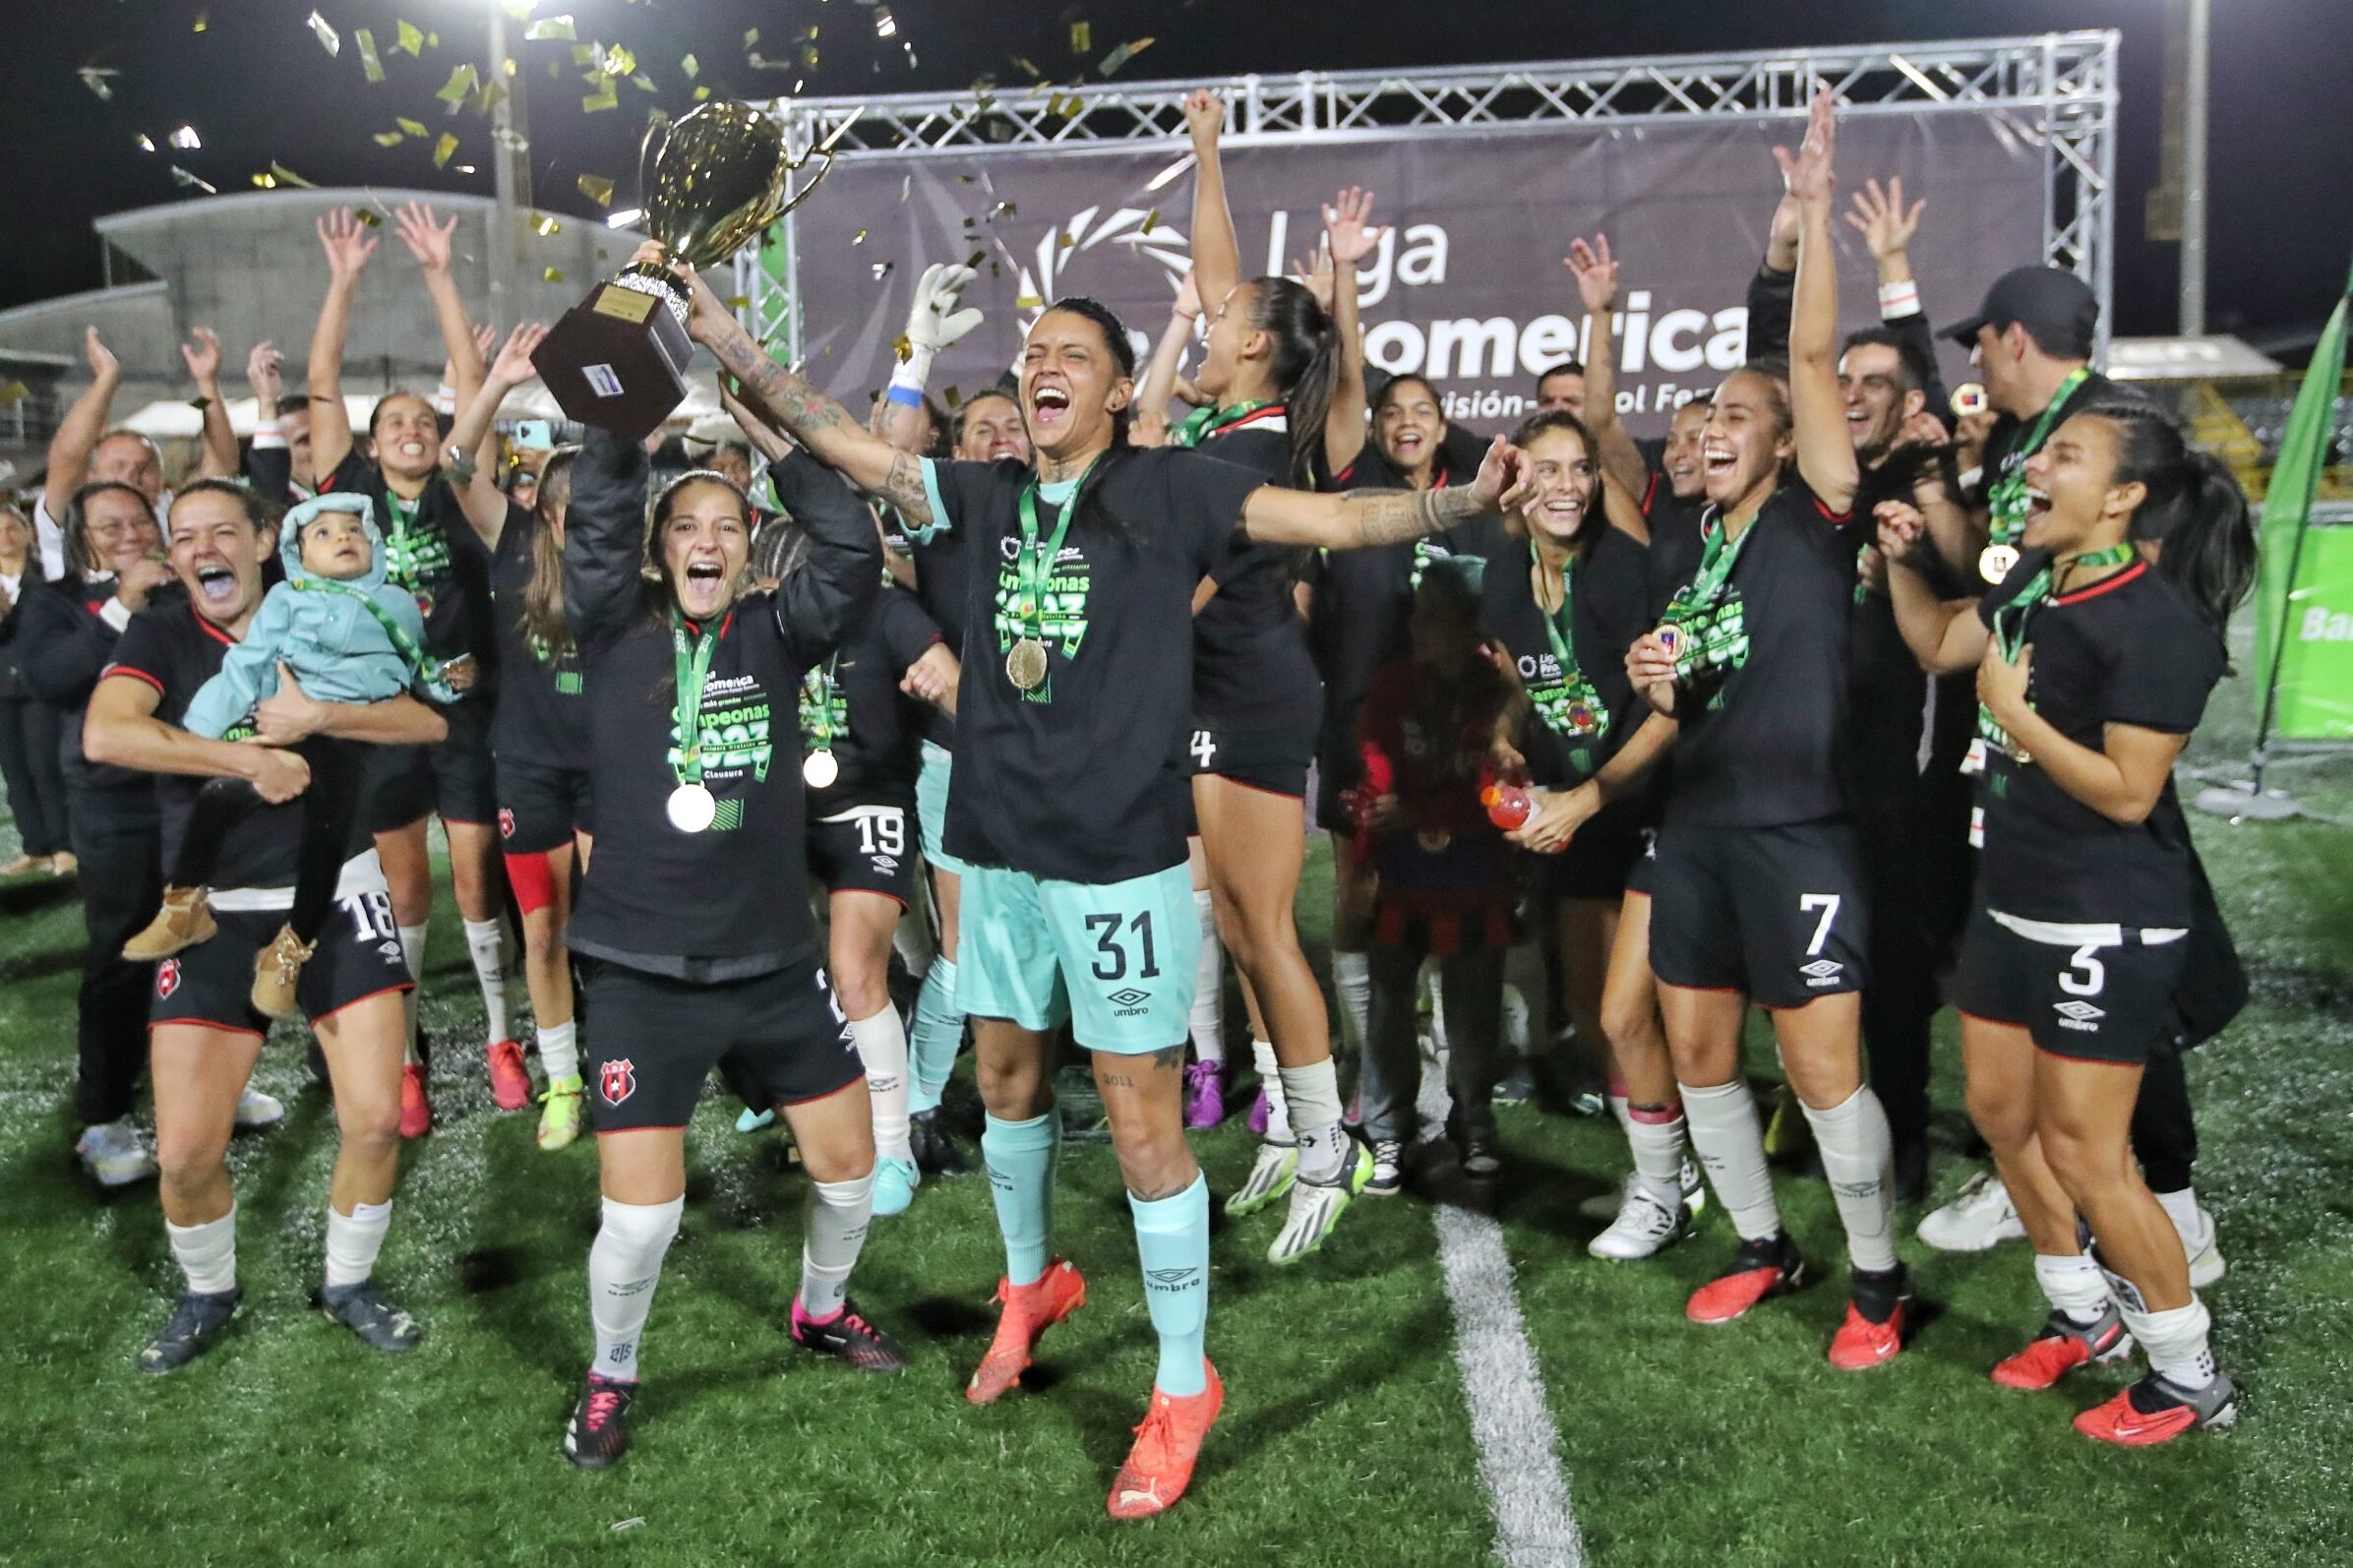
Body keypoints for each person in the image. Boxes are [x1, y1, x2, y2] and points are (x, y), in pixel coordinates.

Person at [684, 224, 1523, 1514]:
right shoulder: (984, 498)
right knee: (1009, 1079)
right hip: (998, 850)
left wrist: (1456, 501)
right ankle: (1030, 1290)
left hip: (1121, 863)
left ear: (1123, 390)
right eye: (1030, 355)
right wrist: (733, 344)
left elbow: (1335, 513)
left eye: (1073, 353)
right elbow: (846, 448)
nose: (1042, 367)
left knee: (1138, 1119)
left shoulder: (1176, 487)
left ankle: (1183, 1384)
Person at [554, 360, 912, 1467]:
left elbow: (851, 547)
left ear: (751, 545)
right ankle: (610, 1373)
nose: (706, 541)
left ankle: (818, 1307)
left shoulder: (778, 632)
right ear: (663, 550)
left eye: (727, 525)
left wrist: (773, 432)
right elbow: (601, 522)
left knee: (850, 1174)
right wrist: (625, 414)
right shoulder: (612, 629)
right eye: (686, 527)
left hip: (769, 965)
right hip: (639, 970)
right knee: (645, 1221)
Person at [1878, 397, 2253, 1443]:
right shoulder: (2046, 578)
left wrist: (2017, 718)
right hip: (2012, 900)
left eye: (2067, 457)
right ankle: (2086, 1314)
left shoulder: (2159, 618)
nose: (2037, 467)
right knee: (2003, 1118)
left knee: (2092, 1156)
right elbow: (1942, 640)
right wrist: (1907, 558)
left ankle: (2190, 1374)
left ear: (2123, 497)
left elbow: (2130, 791)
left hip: (2103, 915)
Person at [1622, 92, 1908, 1369]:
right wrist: (1652, 667)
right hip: (1695, 830)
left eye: (1742, 415)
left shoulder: (1821, 508)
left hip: (1799, 833)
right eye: (1707, 418)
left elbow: (1799, 356)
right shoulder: (1697, 539)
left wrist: (1806, 213)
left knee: (1822, 1067)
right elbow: (1681, 676)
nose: (1718, 426)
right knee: (1696, 1048)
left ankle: (1879, 1278)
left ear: (1793, 441)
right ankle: (1758, 1242)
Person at [84, 477, 443, 1371]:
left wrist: (324, 716)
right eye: (188, 536)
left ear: (261, 544)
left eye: (223, 531)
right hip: (214, 912)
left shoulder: (347, 607)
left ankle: (348, 1285)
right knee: (185, 1155)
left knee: (370, 1121)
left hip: (338, 892)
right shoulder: (164, 633)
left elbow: (427, 718)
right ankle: (210, 1294)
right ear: (174, 560)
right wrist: (246, 759)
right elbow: (107, 734)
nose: (206, 547)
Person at [1159, 90, 1376, 1262]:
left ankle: (1332, 1146)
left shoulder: (1256, 446)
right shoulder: (1229, 419)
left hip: (1249, 696)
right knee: (1235, 928)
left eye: (1221, 320)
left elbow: (1187, 589)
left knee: (1266, 927)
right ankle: (1293, 1135)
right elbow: (1220, 272)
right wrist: (1206, 154)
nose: (1200, 319)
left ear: (1253, 349)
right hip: (1209, 695)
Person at [306, 203, 513, 1134]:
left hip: (468, 718)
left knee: (477, 884)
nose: (408, 427)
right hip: (389, 720)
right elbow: (319, 384)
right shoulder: (349, 495)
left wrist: (439, 271)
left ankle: (503, 1038)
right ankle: (409, 1058)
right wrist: (344, 280)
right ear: (371, 437)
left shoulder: (459, 495)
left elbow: (473, 385)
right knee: (405, 898)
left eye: (421, 419)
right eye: (391, 419)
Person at [1481, 401, 1694, 1258]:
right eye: (1547, 470)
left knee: (1626, 1013)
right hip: (1574, 808)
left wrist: (1591, 796)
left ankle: (1666, 1189)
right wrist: (1503, 738)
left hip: (1650, 809)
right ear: (1517, 482)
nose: (1565, 486)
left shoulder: (1631, 573)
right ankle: (1664, 1171)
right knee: (1587, 1007)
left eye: (1579, 468)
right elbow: (1521, 685)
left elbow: (1674, 713)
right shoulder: (1501, 576)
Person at [121, 494, 454, 1022]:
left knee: (327, 833)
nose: (343, 539)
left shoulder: (394, 604)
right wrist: (211, 736)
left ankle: (290, 949)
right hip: (272, 770)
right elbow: (245, 666)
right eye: (324, 534)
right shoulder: (284, 603)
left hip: (340, 749)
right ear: (298, 553)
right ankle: (184, 901)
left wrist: (322, 714)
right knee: (221, 796)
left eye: (353, 531)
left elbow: (422, 683)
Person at [1308, 370, 1508, 1150]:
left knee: (1472, 945)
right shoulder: (1357, 489)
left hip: (1458, 787)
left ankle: (1477, 1098)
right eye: (1390, 412)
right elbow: (1348, 382)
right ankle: (1377, 1081)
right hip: (1369, 737)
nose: (1404, 422)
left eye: (1421, 410)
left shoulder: (1474, 510)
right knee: (1365, 908)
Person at [450, 325, 594, 1150]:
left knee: (613, 930)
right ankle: (563, 1081)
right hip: (531, 772)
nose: (583, 525)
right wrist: (497, 383)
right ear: (543, 505)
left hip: (610, 776)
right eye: (571, 509)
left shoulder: (633, 563)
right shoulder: (513, 543)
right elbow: (453, 465)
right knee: (542, 931)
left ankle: (629, 1061)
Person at [1354, 557, 1520, 1183]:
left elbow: (1498, 792)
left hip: (1476, 872)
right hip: (1401, 871)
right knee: (1389, 1003)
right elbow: (1374, 759)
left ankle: (1475, 1120)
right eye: (1416, 613)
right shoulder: (1392, 684)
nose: (1418, 626)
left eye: (1434, 617)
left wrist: (1418, 808)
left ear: (1469, 626)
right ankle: (1387, 1129)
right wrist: (1375, 824)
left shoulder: (1497, 692)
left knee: (1473, 1007)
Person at [30, 326, 236, 580]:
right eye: (118, 465)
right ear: (91, 474)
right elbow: (67, 456)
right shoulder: (71, 511)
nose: (131, 475)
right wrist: (106, 379)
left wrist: (207, 386)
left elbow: (221, 465)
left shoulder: (170, 511)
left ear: (162, 480)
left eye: (145, 467)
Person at [0, 504, 73, 876]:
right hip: (2, 687)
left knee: (45, 766)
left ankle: (64, 845)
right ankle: (36, 847)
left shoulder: (47, 576)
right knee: (15, 771)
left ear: (29, 533)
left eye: (13, 528)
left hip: (40, 684)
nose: (7, 537)